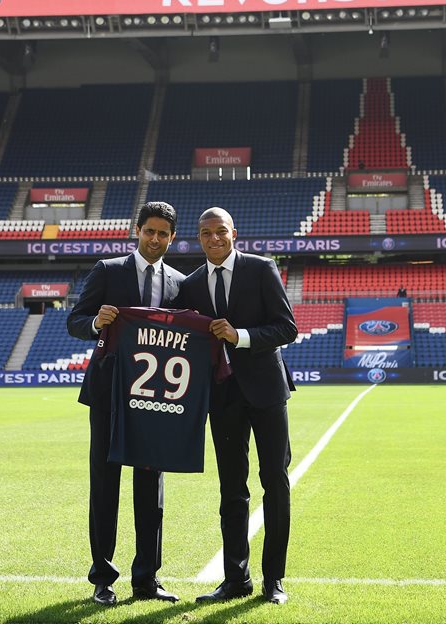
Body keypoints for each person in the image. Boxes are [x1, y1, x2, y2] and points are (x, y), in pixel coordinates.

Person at [178, 207, 298, 605]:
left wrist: (239, 335)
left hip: (266, 392)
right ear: (199, 238)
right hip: (222, 396)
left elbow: (287, 327)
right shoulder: (192, 284)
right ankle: (235, 580)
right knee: (231, 489)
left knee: (274, 482)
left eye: (221, 231)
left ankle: (273, 580)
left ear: (234, 233)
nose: (214, 239)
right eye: (206, 233)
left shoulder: (261, 269)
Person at [66, 201, 185, 605]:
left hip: (155, 399)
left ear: (172, 237)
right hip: (108, 396)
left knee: (151, 488)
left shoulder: (179, 283)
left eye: (163, 233)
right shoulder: (108, 270)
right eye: (149, 231)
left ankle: (147, 579)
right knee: (105, 484)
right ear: (137, 231)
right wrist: (95, 322)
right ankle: (103, 579)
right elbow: (74, 321)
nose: (155, 239)